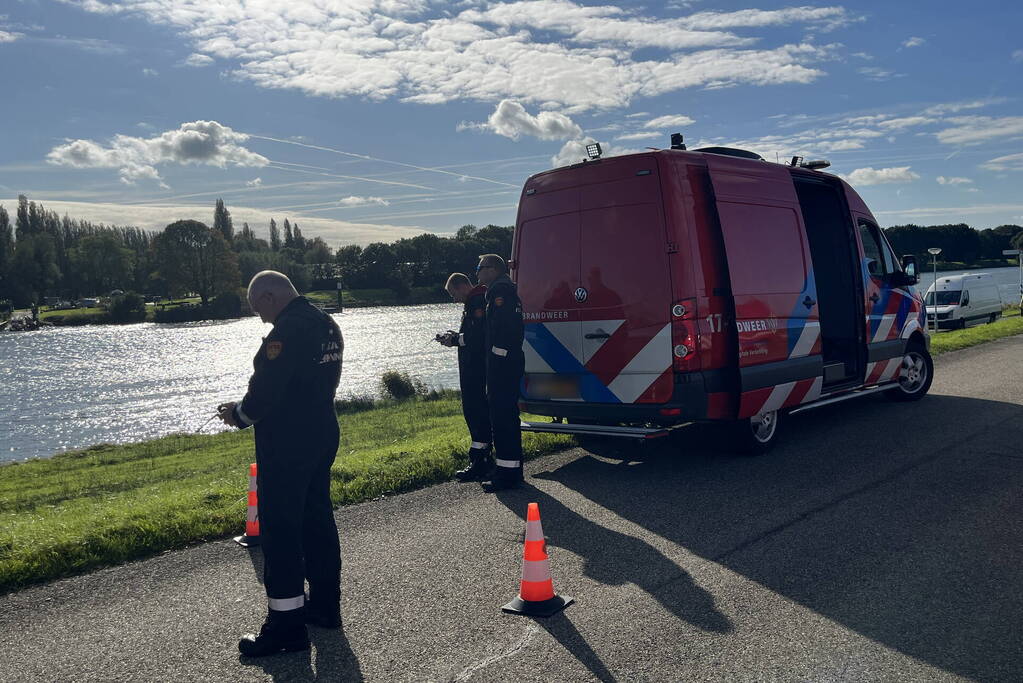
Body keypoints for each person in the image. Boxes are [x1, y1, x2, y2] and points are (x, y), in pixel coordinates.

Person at [216, 270, 344, 657]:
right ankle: (323, 605)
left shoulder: (286, 331)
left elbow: (267, 391)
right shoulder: (326, 322)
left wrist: (237, 415)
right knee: (316, 519)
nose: (260, 317)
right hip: (322, 429)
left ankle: (285, 626)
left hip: (289, 440)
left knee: (281, 530)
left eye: (258, 308)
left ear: (271, 297)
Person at [436, 272, 493, 481]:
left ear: (461, 287)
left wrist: (454, 341)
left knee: (475, 412)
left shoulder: (476, 301)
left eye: (453, 294)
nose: (454, 299)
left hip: (474, 370)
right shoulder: (478, 299)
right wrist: (455, 336)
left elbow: (476, 336)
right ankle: (483, 458)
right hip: (477, 368)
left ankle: (480, 462)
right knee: (478, 412)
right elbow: (471, 333)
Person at [475, 254, 525, 490]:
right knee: (503, 417)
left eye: (480, 268)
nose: (477, 273)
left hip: (503, 366)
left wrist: (497, 355)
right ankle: (507, 470)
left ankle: (508, 475)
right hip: (503, 365)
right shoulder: (497, 291)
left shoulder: (501, 293)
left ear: (493, 270)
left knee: (503, 418)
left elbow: (507, 330)